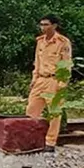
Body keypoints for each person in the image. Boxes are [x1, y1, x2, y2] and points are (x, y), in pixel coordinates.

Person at [26, 14, 72, 152]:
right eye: (41, 24)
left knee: (54, 113)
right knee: (31, 110)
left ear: (54, 25)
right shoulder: (40, 41)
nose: (43, 27)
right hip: (40, 79)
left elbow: (66, 63)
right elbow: (37, 62)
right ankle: (31, 139)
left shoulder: (62, 42)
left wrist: (62, 83)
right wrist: (34, 79)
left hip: (54, 80)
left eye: (46, 24)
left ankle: (50, 142)